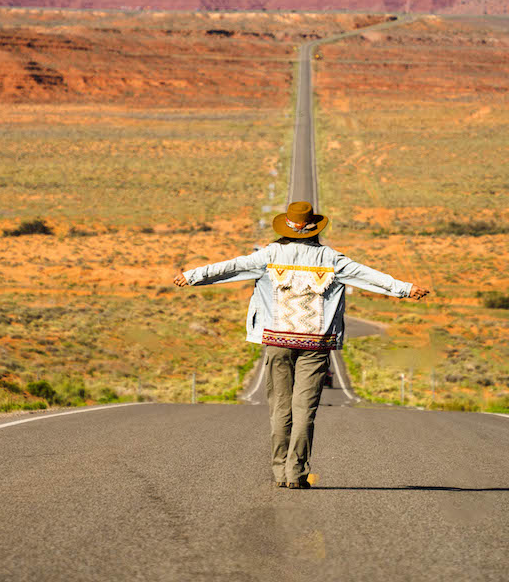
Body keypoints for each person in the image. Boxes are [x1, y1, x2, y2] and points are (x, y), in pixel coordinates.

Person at [173, 200, 428, 489]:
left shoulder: (270, 254)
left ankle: (280, 472)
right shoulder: (332, 259)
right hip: (316, 344)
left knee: (280, 409)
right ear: (314, 229)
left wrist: (192, 276)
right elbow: (368, 275)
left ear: (287, 227)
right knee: (305, 410)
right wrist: (405, 289)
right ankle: (296, 473)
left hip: (277, 342)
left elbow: (231, 267)